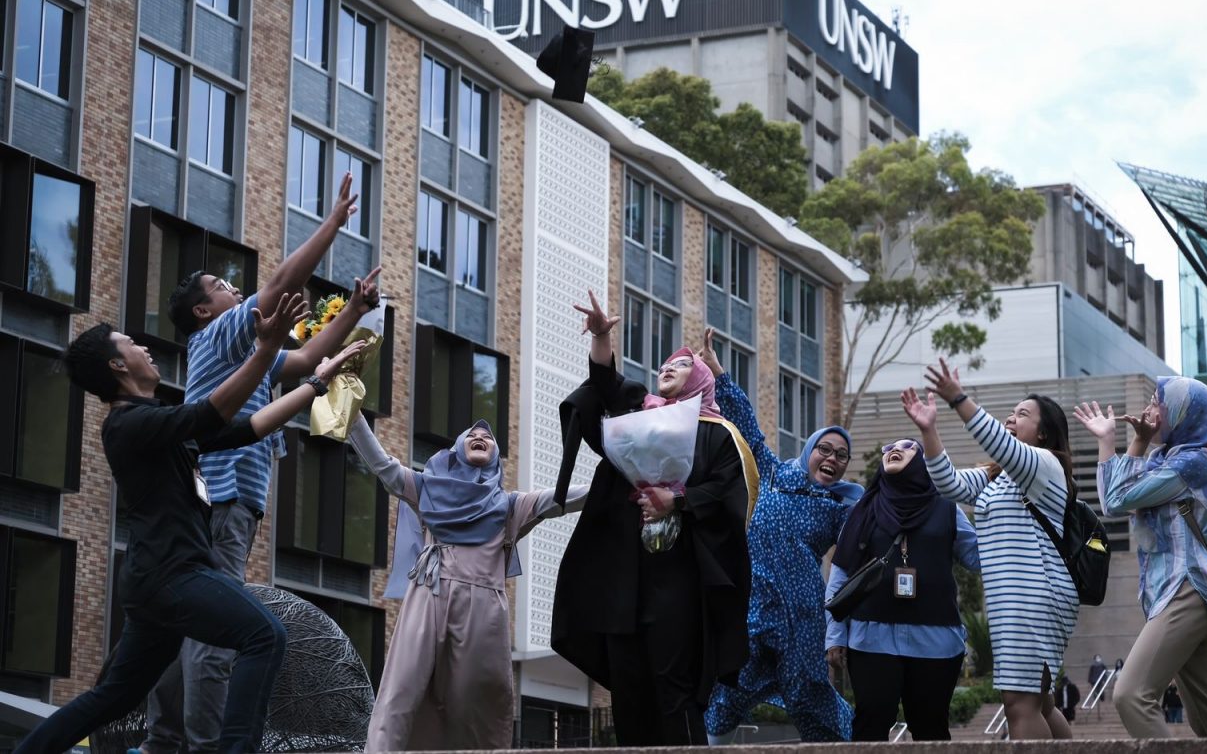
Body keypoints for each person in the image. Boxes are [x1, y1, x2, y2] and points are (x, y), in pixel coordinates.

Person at [17, 297, 364, 754]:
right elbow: (210, 413)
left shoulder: (155, 423)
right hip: (170, 574)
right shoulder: (128, 424)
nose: (145, 347)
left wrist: (316, 384)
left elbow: (248, 427)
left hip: (154, 581)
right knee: (263, 634)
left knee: (115, 696)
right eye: (131, 344)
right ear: (119, 364)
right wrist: (265, 347)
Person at [144, 172, 381, 754]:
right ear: (206, 310)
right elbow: (278, 284)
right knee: (216, 634)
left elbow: (300, 361)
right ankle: (203, 745)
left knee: (188, 625)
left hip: (223, 502)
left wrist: (351, 310)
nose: (236, 290)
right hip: (225, 502)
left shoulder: (240, 355)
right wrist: (332, 224)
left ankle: (162, 738)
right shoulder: (221, 335)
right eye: (224, 285)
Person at [551, 292, 752, 746]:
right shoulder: (638, 414)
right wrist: (602, 335)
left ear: (699, 378)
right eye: (664, 365)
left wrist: (675, 501)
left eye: (680, 365)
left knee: (672, 683)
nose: (667, 368)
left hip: (678, 579)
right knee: (626, 685)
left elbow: (726, 493)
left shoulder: (717, 434)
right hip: (624, 573)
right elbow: (603, 383)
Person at [344, 414, 588, 750]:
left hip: (483, 612)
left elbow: (561, 499)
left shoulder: (509, 506)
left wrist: (621, 478)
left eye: (488, 438)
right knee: (402, 686)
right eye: (472, 434)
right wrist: (354, 413)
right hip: (429, 595)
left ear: (494, 455)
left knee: (475, 704)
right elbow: (383, 467)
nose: (480, 437)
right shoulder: (427, 488)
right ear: (458, 448)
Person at [696, 329, 861, 744]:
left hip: (802, 614)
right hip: (754, 605)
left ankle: (856, 740)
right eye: (826, 449)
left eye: (841, 456)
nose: (833, 460)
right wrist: (719, 374)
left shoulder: (840, 511)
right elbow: (747, 429)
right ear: (809, 451)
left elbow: (863, 550)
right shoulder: (770, 472)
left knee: (808, 694)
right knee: (729, 691)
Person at [901, 358, 1079, 740]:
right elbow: (948, 484)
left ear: (1044, 433)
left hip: (1033, 594)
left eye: (1022, 414)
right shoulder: (998, 477)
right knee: (1041, 703)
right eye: (1011, 412)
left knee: (1020, 704)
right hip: (1014, 597)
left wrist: (958, 399)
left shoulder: (1045, 465)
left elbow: (1000, 443)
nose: (1011, 419)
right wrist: (929, 430)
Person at [1075, 377, 1207, 739]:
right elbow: (1114, 500)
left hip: (1189, 587)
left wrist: (1116, 442)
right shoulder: (1165, 458)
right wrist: (1130, 442)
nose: (1149, 409)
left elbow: (1117, 499)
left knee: (1131, 694)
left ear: (1183, 413)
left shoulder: (1195, 462)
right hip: (1173, 591)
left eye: (1157, 403)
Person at [825, 437, 981, 741]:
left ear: (923, 460)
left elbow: (976, 558)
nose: (893, 450)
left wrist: (995, 509)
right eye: (887, 448)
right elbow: (840, 574)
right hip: (871, 640)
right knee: (871, 723)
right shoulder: (863, 510)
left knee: (931, 728)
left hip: (936, 641)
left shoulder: (947, 508)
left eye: (908, 446)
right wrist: (834, 636)